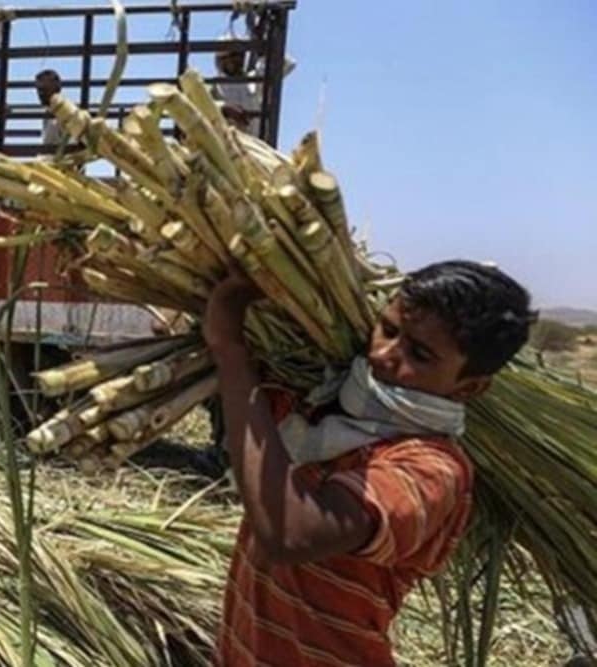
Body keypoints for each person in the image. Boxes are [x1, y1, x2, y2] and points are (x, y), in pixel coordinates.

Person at [205, 260, 535, 666]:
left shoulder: (430, 470)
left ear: (469, 387)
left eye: (419, 353)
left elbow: (290, 534)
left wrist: (229, 350)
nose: (382, 354)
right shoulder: (320, 403)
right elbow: (246, 414)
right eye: (388, 329)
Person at [211, 34, 296, 135]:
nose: (232, 61)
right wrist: (224, 108)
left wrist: (264, 50)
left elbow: (287, 64)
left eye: (236, 55)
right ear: (219, 61)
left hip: (257, 145)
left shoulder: (255, 79)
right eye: (226, 57)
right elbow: (201, 108)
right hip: (227, 146)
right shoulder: (214, 86)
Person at [34, 69, 66, 148]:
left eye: (44, 89)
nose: (40, 94)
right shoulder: (48, 113)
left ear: (56, 88)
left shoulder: (63, 112)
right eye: (39, 90)